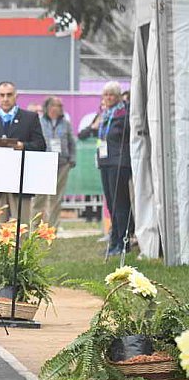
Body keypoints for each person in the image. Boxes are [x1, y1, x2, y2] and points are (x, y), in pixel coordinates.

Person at [0, 81, 46, 224]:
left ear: (16, 96)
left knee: (21, 225)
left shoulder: (30, 118)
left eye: (9, 95)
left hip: (20, 179)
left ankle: (22, 247)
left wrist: (23, 146)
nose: (5, 99)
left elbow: (40, 145)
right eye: (2, 95)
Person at [78, 81, 132, 255]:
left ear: (118, 97)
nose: (108, 98)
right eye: (106, 95)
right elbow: (86, 133)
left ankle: (123, 242)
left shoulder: (124, 113)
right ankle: (114, 240)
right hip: (106, 161)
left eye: (112, 95)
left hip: (119, 162)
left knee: (120, 203)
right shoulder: (104, 115)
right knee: (111, 203)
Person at [32, 96, 76, 229]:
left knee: (56, 198)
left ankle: (52, 229)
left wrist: (72, 160)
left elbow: (71, 142)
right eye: (56, 105)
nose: (59, 108)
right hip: (44, 163)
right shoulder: (39, 121)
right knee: (40, 197)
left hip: (62, 164)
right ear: (49, 107)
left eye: (60, 105)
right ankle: (35, 227)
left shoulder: (65, 123)